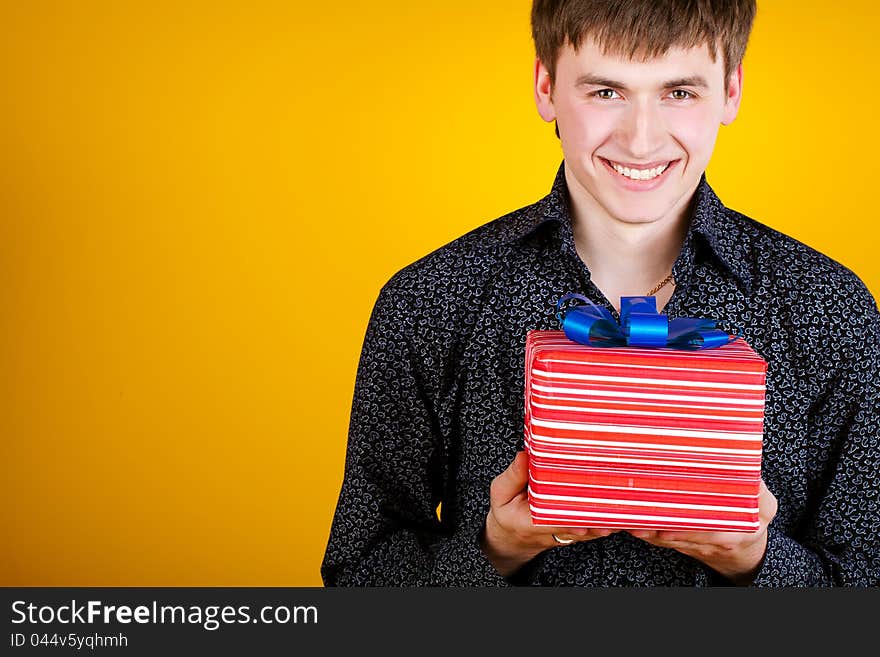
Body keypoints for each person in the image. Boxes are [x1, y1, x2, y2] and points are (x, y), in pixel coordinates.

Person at [321, 0, 880, 586]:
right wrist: (494, 549)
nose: (641, 141)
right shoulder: (430, 301)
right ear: (545, 87)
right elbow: (359, 577)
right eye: (605, 91)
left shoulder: (828, 306)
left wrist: (755, 562)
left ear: (732, 91)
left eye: (680, 92)